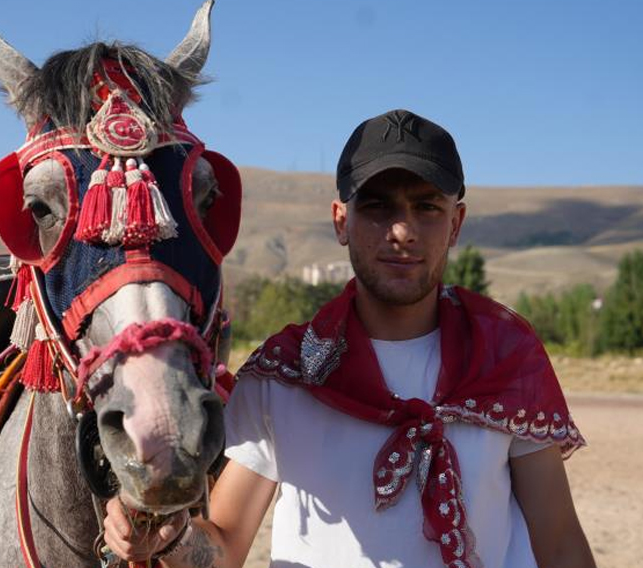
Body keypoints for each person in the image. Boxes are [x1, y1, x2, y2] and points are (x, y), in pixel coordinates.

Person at [102, 109, 596, 568]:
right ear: (342, 221)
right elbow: (226, 544)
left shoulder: (505, 358)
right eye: (378, 208)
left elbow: (558, 543)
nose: (402, 230)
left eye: (426, 207)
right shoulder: (284, 374)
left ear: (456, 224)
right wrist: (167, 538)